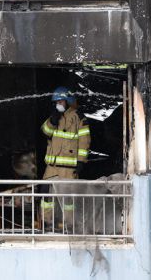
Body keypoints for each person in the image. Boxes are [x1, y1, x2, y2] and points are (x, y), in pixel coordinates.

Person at [39, 86, 90, 231]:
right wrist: (53, 121)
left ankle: (69, 225)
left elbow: (84, 141)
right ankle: (47, 224)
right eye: (56, 102)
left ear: (67, 101)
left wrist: (81, 161)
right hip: (52, 167)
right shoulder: (54, 117)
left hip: (69, 168)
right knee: (45, 195)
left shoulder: (79, 118)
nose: (58, 104)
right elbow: (45, 132)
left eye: (60, 101)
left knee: (68, 200)